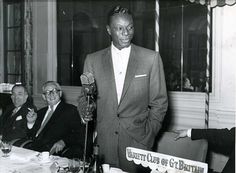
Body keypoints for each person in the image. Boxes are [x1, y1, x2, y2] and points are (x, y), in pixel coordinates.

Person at [79, 5, 168, 172]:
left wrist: (148, 136)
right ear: (108, 30)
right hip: (104, 143)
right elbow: (84, 98)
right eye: (119, 28)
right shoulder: (92, 60)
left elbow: (160, 103)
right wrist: (85, 110)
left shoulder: (151, 58)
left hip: (138, 143)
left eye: (130, 27)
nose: (126, 33)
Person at [26, 81, 93, 159]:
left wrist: (64, 141)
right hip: (33, 151)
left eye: (54, 91)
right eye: (47, 92)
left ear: (60, 94)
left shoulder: (70, 110)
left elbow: (79, 133)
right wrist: (31, 123)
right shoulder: (40, 112)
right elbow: (30, 136)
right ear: (44, 97)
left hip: (52, 153)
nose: (51, 94)